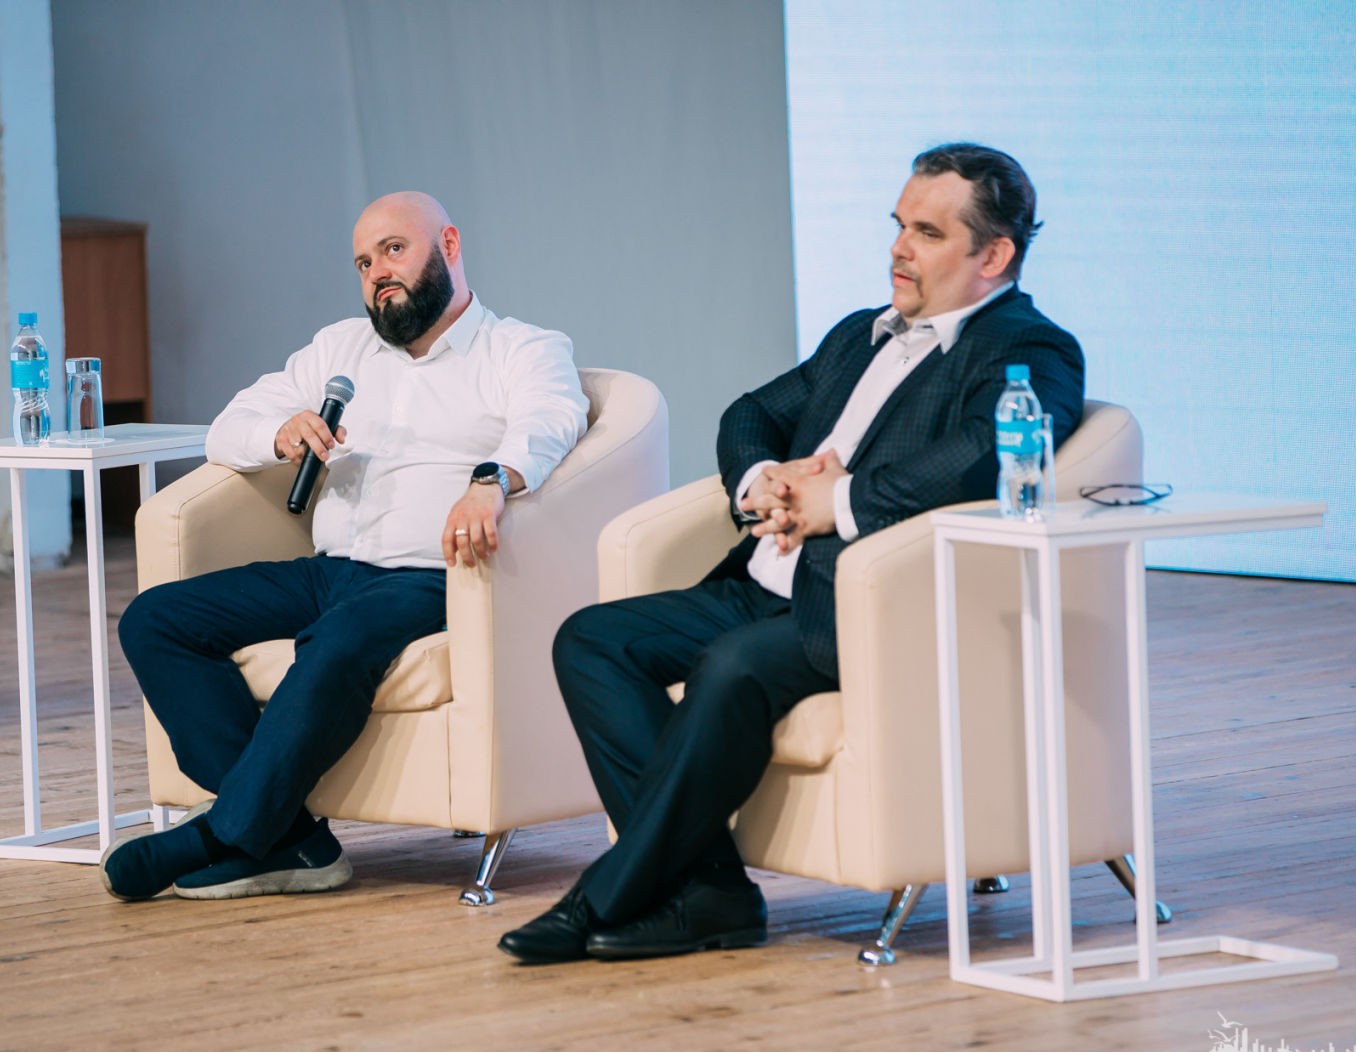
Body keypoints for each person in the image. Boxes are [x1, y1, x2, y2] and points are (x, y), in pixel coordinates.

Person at [499, 143, 1085, 964]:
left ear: (993, 256)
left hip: (863, 603)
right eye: (898, 225)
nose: (898, 248)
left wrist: (836, 501)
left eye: (927, 233)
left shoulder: (1028, 349)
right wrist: (763, 480)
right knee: (591, 640)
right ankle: (711, 891)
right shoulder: (860, 336)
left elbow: (982, 454)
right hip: (763, 581)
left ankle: (604, 894)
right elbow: (751, 412)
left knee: (732, 665)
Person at [102, 191, 588, 903]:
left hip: (430, 576)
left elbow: (551, 419)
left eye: (394, 250)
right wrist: (278, 433)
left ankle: (217, 836)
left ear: (449, 246)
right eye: (363, 263)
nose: (377, 274)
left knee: (335, 643)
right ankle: (290, 838)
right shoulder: (340, 349)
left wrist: (490, 480)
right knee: (156, 619)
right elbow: (228, 425)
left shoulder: (521, 348)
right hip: (329, 572)